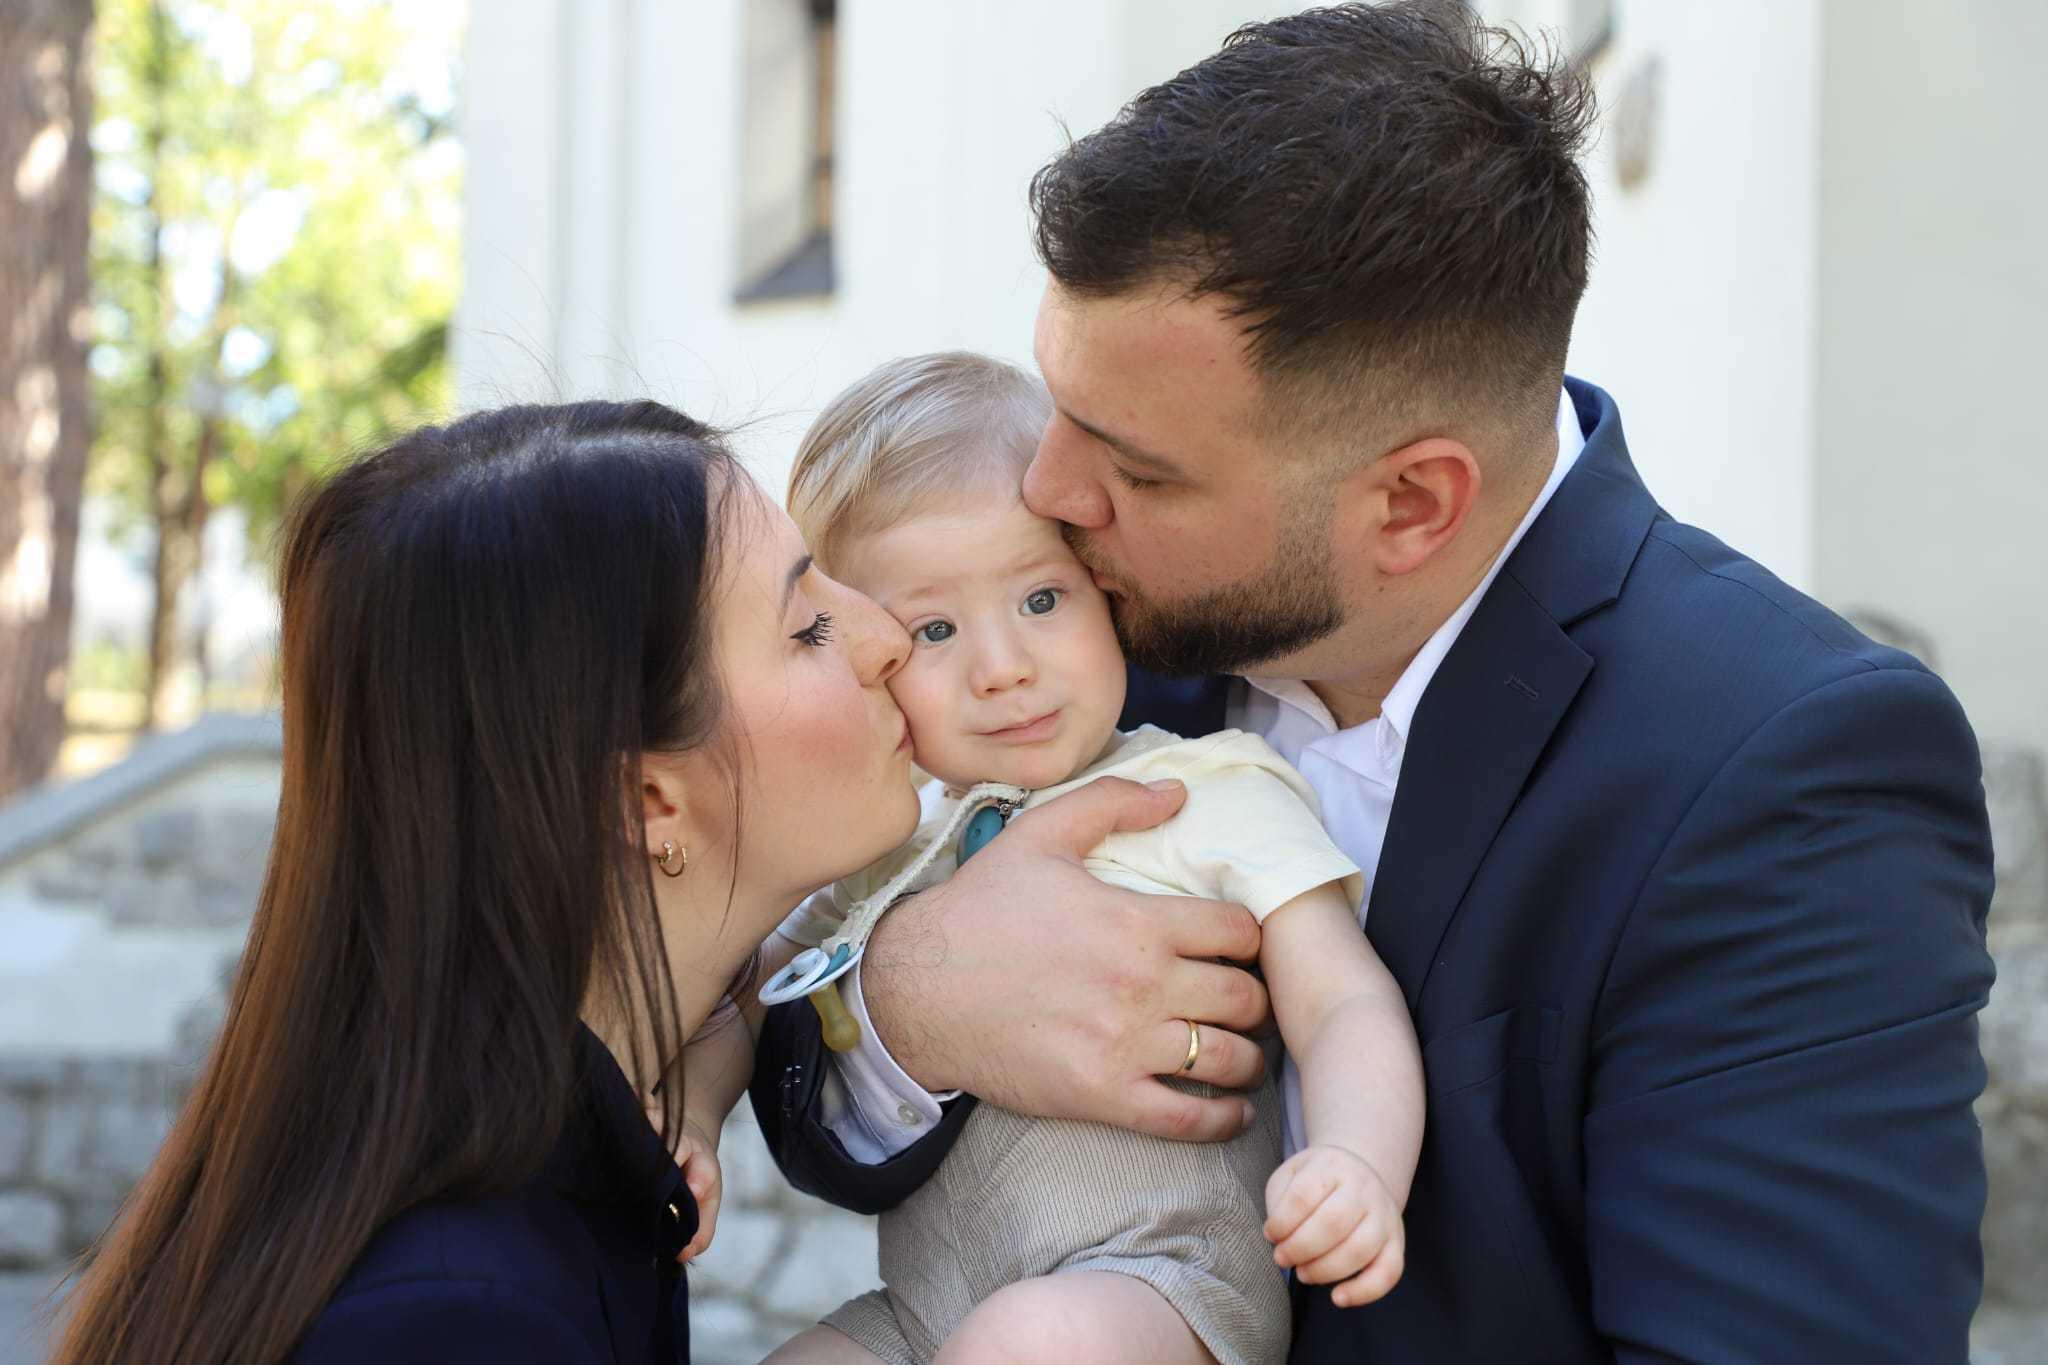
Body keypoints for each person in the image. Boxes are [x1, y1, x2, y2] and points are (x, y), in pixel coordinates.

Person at [748, 5, 1999, 1362]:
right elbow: (803, 1074)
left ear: (1410, 503)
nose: (1049, 491)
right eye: (1059, 410)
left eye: (1139, 464)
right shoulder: (1073, 640)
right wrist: (908, 999)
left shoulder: (1778, 769)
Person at [47, 400, 929, 1365]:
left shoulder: (527, 1190)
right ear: (642, 797)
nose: (888, 635)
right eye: (808, 626)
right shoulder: (458, 1320)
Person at [677, 353, 1423, 1365]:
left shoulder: (1204, 789)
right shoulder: (889, 847)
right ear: (870, 651)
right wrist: (692, 1111)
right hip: (921, 1305)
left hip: (1152, 1280)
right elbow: (753, 993)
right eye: (933, 628)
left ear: (1106, 589)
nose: (1002, 668)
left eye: (1040, 600)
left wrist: (1356, 1163)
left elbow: (1342, 1001)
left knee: (1029, 1344)